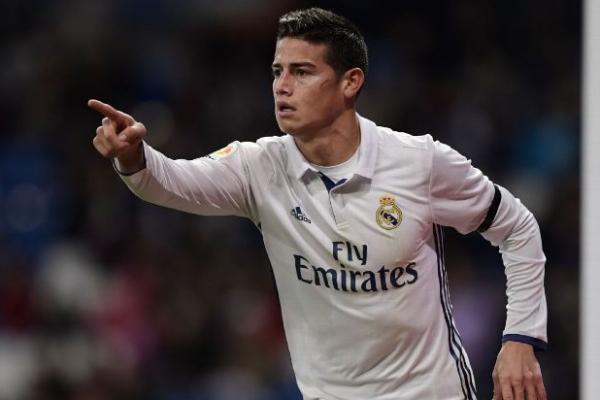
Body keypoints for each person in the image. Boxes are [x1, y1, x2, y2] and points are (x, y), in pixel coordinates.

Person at [88, 7, 547, 400]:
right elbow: (169, 182)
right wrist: (134, 156)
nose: (282, 86)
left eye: (302, 72)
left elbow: (517, 227)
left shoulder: (419, 163)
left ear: (350, 83)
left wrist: (520, 339)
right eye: (277, 71)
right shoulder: (259, 167)